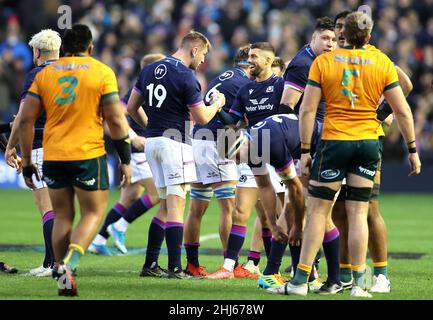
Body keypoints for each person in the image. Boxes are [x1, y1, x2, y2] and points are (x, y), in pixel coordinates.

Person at [269, 12, 421, 298]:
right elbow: (403, 109)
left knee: (317, 212)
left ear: (344, 35)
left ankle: (300, 280)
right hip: (367, 143)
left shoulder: (324, 62)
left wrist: (303, 150)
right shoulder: (381, 61)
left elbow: (307, 109)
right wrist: (412, 149)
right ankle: (360, 286)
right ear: (368, 35)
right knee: (359, 213)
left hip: (335, 140)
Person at [16, 24, 132, 296]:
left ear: (64, 48)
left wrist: (27, 160)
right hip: (87, 153)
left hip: (52, 154)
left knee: (63, 216)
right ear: (90, 47)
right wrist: (125, 159)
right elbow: (115, 119)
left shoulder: (44, 74)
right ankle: (70, 263)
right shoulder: (102, 71)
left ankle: (59, 272)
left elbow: (25, 120)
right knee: (93, 212)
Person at [127, 30, 225, 279]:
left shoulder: (150, 69)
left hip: (153, 143)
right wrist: (217, 104)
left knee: (164, 206)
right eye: (203, 54)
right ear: (194, 49)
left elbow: (130, 107)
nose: (203, 60)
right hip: (176, 144)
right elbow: (202, 117)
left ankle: (150, 264)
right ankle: (174, 267)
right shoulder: (186, 75)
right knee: (176, 206)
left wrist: (150, 127)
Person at [331, 10, 414, 293]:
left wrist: (380, 113)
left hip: (367, 140)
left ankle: (380, 274)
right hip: (332, 140)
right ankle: (344, 274)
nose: (342, 32)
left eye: (346, 27)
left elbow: (406, 85)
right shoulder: (329, 58)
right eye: (338, 27)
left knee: (367, 211)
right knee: (338, 212)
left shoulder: (374, 55)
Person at [206, 42, 286, 280]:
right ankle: (228, 267)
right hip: (254, 154)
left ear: (269, 61)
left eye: (254, 57)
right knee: (240, 211)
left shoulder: (282, 86)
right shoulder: (246, 89)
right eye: (249, 56)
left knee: (279, 217)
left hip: (279, 156)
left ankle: (278, 270)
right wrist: (219, 108)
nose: (249, 60)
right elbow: (234, 120)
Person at [183, 45, 252, 276]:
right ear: (250, 62)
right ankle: (229, 265)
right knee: (229, 207)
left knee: (196, 206)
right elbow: (241, 119)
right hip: (216, 143)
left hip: (200, 139)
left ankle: (192, 264)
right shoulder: (244, 83)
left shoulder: (223, 76)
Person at [88, 53, 165, 256]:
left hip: (141, 150)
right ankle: (119, 227)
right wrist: (132, 136)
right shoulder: (140, 87)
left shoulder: (153, 88)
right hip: (139, 150)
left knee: (129, 198)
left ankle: (99, 239)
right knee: (158, 193)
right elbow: (117, 113)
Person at [4, 29, 61, 277]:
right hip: (70, 147)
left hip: (41, 144)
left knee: (46, 208)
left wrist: (10, 146)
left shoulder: (36, 75)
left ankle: (55, 264)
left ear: (36, 52)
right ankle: (52, 262)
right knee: (62, 209)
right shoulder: (74, 73)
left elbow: (24, 117)